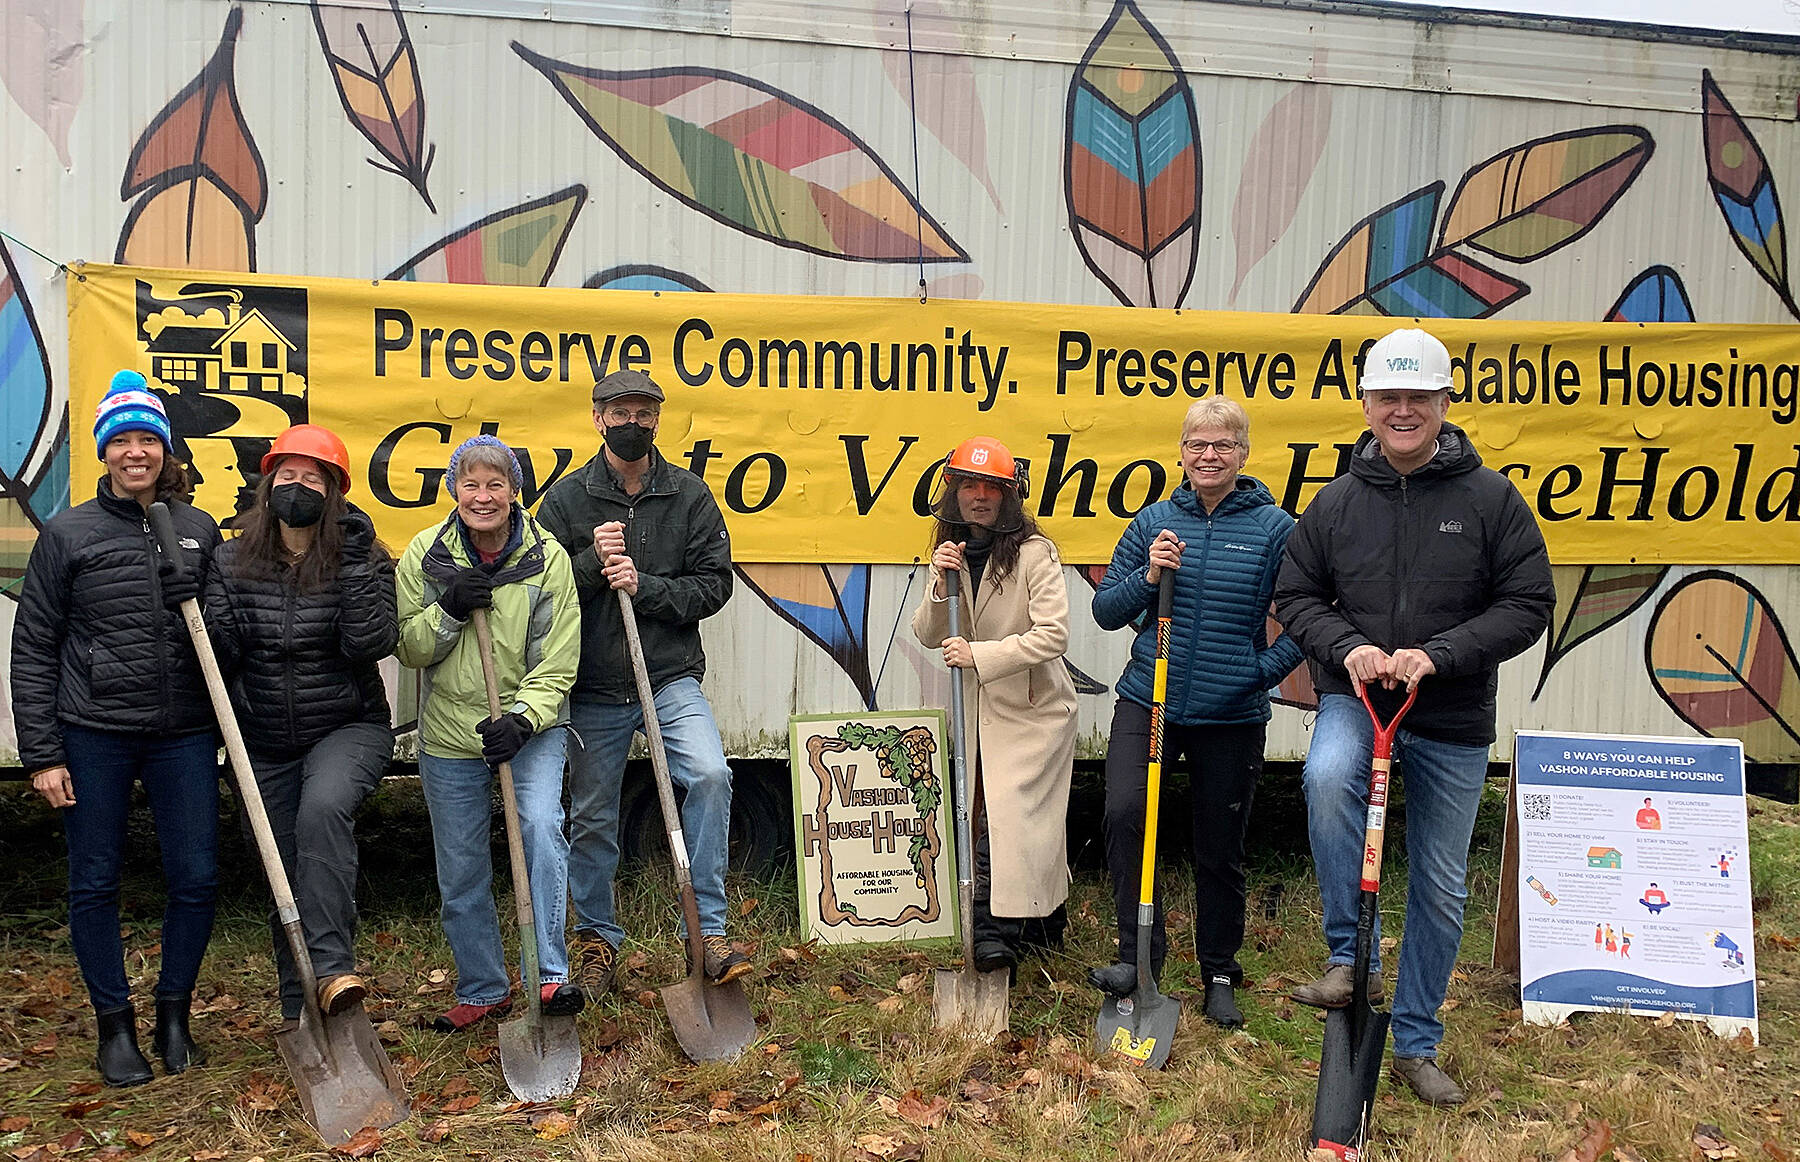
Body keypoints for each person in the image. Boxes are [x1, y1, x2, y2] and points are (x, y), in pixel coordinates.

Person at [1274, 327, 1554, 1106]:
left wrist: (1441, 654)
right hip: (1358, 697)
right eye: (1389, 397)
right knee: (1327, 775)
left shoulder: (1491, 499)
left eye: (1418, 398)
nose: (1403, 411)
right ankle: (1349, 959)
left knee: (1437, 881)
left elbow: (1528, 602)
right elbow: (1297, 595)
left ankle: (1417, 1043)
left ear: (1445, 403)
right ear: (1366, 406)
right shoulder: (1336, 502)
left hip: (1450, 709)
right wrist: (1350, 647)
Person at [11, 372, 221, 1085]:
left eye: (148, 440)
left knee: (196, 877)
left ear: (165, 450)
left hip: (183, 732)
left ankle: (173, 1015)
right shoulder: (68, 533)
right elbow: (34, 647)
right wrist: (43, 754)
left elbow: (224, 632)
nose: (136, 453)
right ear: (103, 451)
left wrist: (201, 602)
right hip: (92, 732)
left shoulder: (196, 529)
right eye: (122, 440)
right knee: (95, 880)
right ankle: (114, 1026)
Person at [1089, 398, 1302, 1028]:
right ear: (1181, 452)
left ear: (1243, 453)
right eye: (1197, 445)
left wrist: (1257, 673)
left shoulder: (1274, 529)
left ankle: (1219, 972)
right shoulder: (1154, 521)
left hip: (1231, 713)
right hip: (1149, 697)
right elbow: (1106, 610)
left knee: (1219, 843)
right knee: (1127, 815)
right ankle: (1137, 958)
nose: (1209, 455)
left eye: (1223, 444)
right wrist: (1148, 578)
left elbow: (1306, 617)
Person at [538, 369, 747, 996]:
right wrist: (590, 563)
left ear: (658, 419)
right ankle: (597, 940)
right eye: (620, 412)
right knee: (593, 815)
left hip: (667, 678)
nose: (633, 423)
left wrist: (645, 587)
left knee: (710, 776)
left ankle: (707, 932)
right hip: (595, 686)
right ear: (597, 418)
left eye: (644, 413)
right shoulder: (567, 501)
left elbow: (715, 585)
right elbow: (538, 594)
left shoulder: (689, 496)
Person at [201, 425, 395, 1026]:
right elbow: (221, 655)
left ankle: (333, 971)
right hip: (261, 738)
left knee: (322, 811)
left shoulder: (363, 557)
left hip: (347, 725)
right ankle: (299, 1006)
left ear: (334, 494)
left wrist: (356, 567)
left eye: (314, 478)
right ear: (268, 485)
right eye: (288, 475)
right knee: (282, 865)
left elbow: (370, 643)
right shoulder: (231, 559)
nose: (298, 486)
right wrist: (200, 605)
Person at [396, 435, 584, 1031]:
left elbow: (558, 658)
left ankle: (548, 976)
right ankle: (482, 988)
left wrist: (523, 717)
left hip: (529, 729)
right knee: (461, 865)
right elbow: (408, 648)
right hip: (451, 735)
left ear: (515, 492)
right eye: (471, 484)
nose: (483, 496)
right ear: (454, 490)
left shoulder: (547, 559)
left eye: (495, 484)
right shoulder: (426, 555)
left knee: (541, 828)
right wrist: (448, 610)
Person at [909, 436, 1076, 976]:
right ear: (953, 491)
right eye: (969, 485)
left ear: (1009, 495)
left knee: (1017, 822)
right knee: (991, 817)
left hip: (1034, 710)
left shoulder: (1035, 553)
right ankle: (1042, 925)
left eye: (991, 487)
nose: (979, 496)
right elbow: (929, 633)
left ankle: (992, 934)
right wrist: (941, 585)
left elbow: (1053, 634)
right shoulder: (952, 553)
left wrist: (980, 656)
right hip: (981, 714)